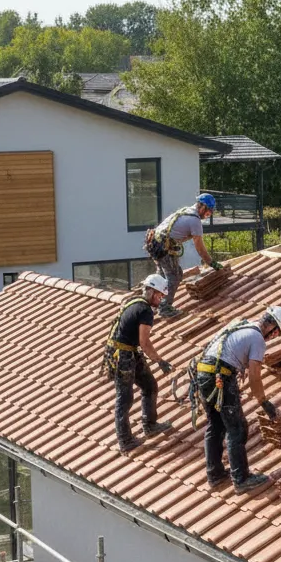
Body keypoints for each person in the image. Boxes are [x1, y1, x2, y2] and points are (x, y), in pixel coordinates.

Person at [195, 306, 281, 492]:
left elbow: (227, 349)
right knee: (237, 428)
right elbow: (255, 375)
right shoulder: (258, 338)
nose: (272, 338)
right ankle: (241, 479)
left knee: (216, 425)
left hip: (204, 374)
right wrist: (264, 403)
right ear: (273, 327)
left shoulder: (242, 324)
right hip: (220, 378)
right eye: (275, 334)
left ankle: (215, 474)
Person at [102, 274, 174, 453]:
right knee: (124, 398)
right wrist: (160, 361)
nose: (160, 299)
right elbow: (145, 342)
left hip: (129, 352)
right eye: (159, 295)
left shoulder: (134, 302)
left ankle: (150, 425)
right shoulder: (145, 311)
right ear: (150, 291)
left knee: (150, 386)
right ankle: (125, 440)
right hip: (123, 356)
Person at [144, 193, 221, 319]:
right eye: (207, 213)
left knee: (162, 276)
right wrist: (211, 262)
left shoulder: (186, 210)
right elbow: (200, 247)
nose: (206, 216)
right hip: (163, 247)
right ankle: (165, 308)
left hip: (154, 242)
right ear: (202, 207)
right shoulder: (195, 220)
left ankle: (152, 304)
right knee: (174, 275)